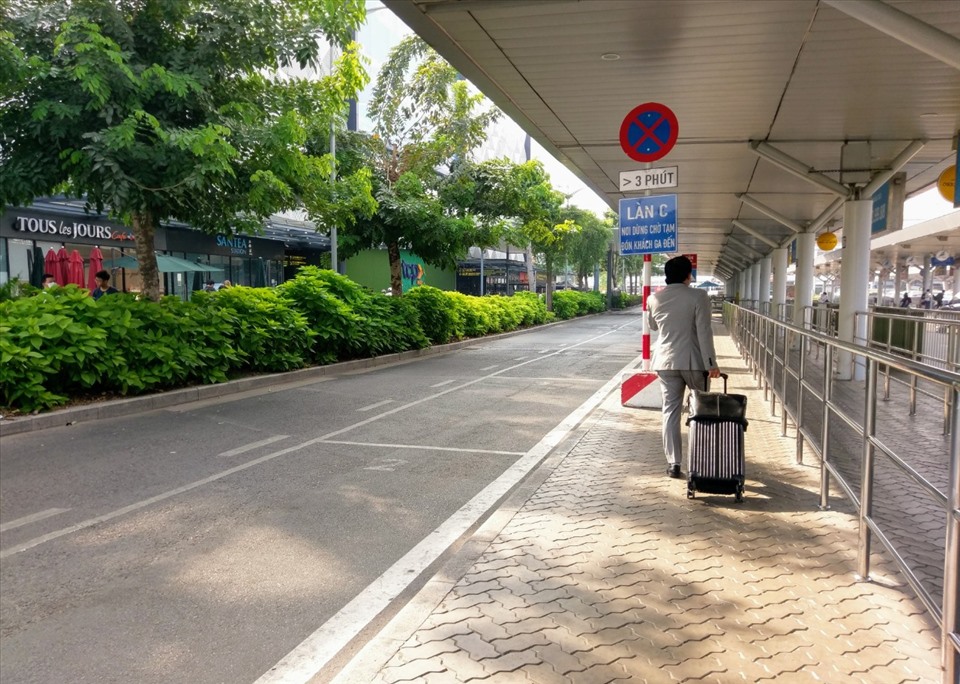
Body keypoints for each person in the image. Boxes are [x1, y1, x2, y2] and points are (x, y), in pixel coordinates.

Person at [647, 255, 721, 479]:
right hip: (694, 362)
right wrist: (712, 364)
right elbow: (704, 332)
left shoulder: (654, 298)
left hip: (665, 362)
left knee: (670, 412)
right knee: (700, 411)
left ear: (667, 276)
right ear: (689, 275)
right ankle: (701, 459)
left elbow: (652, 326)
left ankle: (674, 464)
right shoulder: (699, 295)